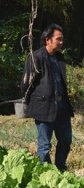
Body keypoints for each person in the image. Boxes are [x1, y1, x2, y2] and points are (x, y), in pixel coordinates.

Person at [20, 23, 74, 171]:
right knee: (44, 145)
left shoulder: (59, 58)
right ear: (47, 39)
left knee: (66, 139)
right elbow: (26, 85)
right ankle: (46, 173)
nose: (61, 42)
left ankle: (60, 168)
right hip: (44, 107)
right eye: (58, 39)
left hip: (62, 107)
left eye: (62, 39)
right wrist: (34, 102)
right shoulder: (36, 57)